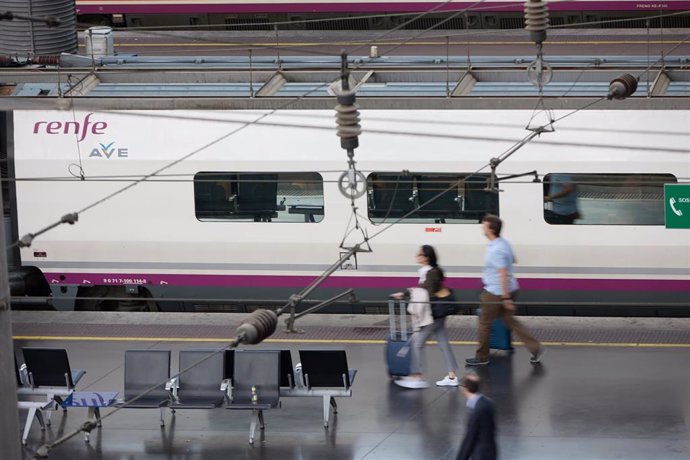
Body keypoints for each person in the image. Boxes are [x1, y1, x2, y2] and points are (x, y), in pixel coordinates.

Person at [465, 215, 543, 366]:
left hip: (496, 292)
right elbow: (513, 260)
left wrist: (506, 298)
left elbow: (503, 273)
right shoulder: (503, 243)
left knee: (484, 323)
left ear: (491, 229)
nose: (482, 227)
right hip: (509, 288)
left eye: (484, 225)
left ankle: (482, 356)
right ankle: (535, 348)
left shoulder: (496, 249)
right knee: (510, 321)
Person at [392, 245, 460, 389]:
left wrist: (407, 295)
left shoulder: (430, 273)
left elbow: (425, 294)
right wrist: (405, 293)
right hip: (438, 313)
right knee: (443, 344)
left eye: (420, 254)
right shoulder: (429, 272)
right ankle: (452, 376)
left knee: (417, 344)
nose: (417, 256)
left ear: (426, 258)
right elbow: (422, 291)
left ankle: (418, 376)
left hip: (433, 314)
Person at [456, 373, 497, 460]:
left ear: (465, 388)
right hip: (491, 451)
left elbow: (470, 436)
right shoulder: (488, 403)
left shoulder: (476, 409)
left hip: (481, 454)